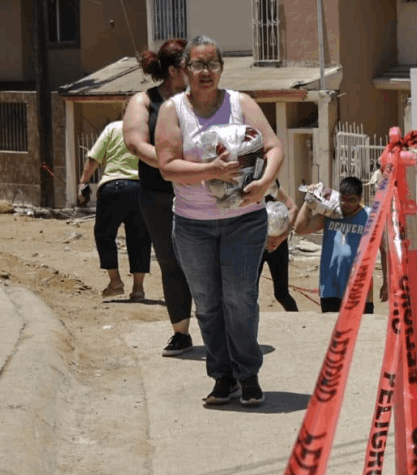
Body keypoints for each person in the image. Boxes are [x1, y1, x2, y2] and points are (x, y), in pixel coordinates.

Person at [155, 34, 284, 407]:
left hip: (244, 219)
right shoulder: (173, 110)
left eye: (212, 64)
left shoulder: (241, 104)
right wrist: (208, 169)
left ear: (222, 68)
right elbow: (166, 167)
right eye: (197, 64)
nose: (205, 71)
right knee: (208, 303)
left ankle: (248, 374)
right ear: (184, 71)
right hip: (193, 224)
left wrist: (264, 183)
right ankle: (222, 377)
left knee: (239, 300)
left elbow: (273, 147)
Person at [123, 39, 195, 357]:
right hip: (158, 196)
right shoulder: (144, 101)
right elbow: (135, 144)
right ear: (173, 70)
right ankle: (181, 332)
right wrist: (171, 164)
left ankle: (223, 329)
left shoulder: (203, 101)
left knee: (210, 262)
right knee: (171, 263)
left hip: (200, 193)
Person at [78, 117, 151, 301]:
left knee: (104, 234)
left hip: (113, 187)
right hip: (142, 189)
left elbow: (94, 158)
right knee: (140, 238)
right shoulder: (151, 130)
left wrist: (83, 182)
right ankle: (138, 290)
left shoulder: (114, 127)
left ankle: (116, 282)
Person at [293, 176, 374, 315]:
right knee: (332, 332)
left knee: (361, 332)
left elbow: (384, 249)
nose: (346, 204)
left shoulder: (369, 216)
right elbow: (300, 229)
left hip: (359, 287)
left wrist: (386, 282)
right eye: (343, 199)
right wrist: (309, 200)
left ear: (360, 198)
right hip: (330, 286)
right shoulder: (330, 214)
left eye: (352, 200)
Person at [259, 183, 299, 312]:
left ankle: (298, 323)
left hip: (277, 246)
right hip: (255, 246)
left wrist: (281, 237)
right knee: (249, 293)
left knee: (281, 294)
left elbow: (293, 208)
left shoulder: (271, 185)